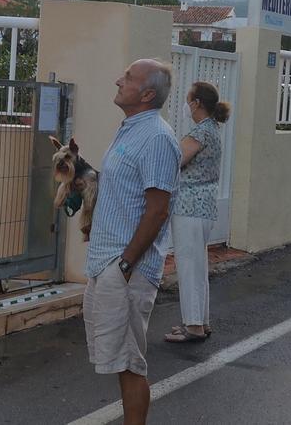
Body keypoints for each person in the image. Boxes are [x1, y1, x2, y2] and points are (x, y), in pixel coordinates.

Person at [83, 58, 181, 425]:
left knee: (129, 364)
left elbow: (158, 209)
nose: (118, 80)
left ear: (147, 93)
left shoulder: (157, 137)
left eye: (128, 77)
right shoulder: (130, 129)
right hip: (106, 262)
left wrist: (125, 265)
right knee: (118, 360)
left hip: (125, 268)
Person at [163, 81, 230, 344]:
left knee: (189, 265)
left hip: (189, 206)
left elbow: (174, 160)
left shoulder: (200, 133)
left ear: (196, 103)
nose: (185, 105)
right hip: (203, 206)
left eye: (188, 99)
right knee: (198, 266)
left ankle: (193, 326)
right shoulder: (211, 129)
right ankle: (200, 321)